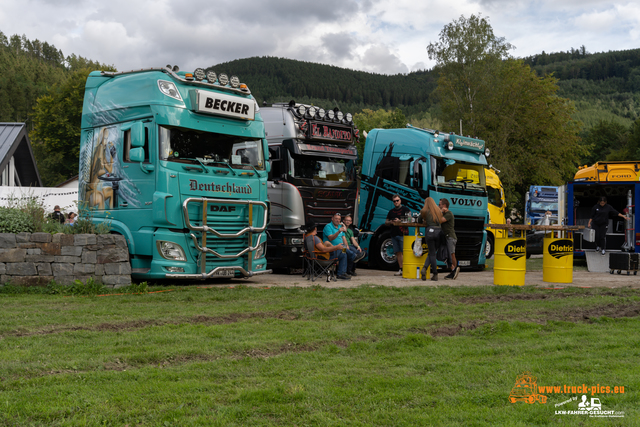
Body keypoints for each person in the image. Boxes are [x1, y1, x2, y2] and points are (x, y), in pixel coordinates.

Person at [322, 213, 356, 279]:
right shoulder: (328, 226)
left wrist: (347, 247)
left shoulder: (340, 227)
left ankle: (341, 274)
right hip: (332, 250)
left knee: (344, 254)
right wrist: (338, 232)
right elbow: (330, 238)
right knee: (343, 251)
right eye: (336, 218)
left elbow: (344, 238)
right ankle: (353, 256)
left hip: (340, 248)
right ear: (332, 218)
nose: (337, 220)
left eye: (339, 219)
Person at [385, 194, 411, 276]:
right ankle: (401, 269)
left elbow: (410, 220)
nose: (396, 202)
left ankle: (407, 269)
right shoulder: (391, 211)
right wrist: (391, 222)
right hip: (394, 234)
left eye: (397, 200)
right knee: (398, 253)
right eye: (394, 201)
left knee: (405, 252)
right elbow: (386, 222)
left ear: (400, 200)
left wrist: (399, 221)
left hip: (403, 234)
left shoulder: (406, 209)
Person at [419, 197, 444, 281]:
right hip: (439, 232)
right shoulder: (438, 211)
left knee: (432, 253)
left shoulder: (424, 211)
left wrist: (424, 221)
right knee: (432, 253)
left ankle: (435, 273)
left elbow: (419, 221)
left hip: (430, 232)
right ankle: (425, 269)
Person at [439, 198, 459, 280]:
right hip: (446, 237)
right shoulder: (444, 214)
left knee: (451, 254)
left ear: (444, 206)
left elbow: (440, 220)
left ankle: (454, 270)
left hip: (450, 236)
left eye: (440, 204)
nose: (438, 206)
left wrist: (440, 213)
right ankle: (453, 270)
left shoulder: (448, 214)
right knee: (448, 254)